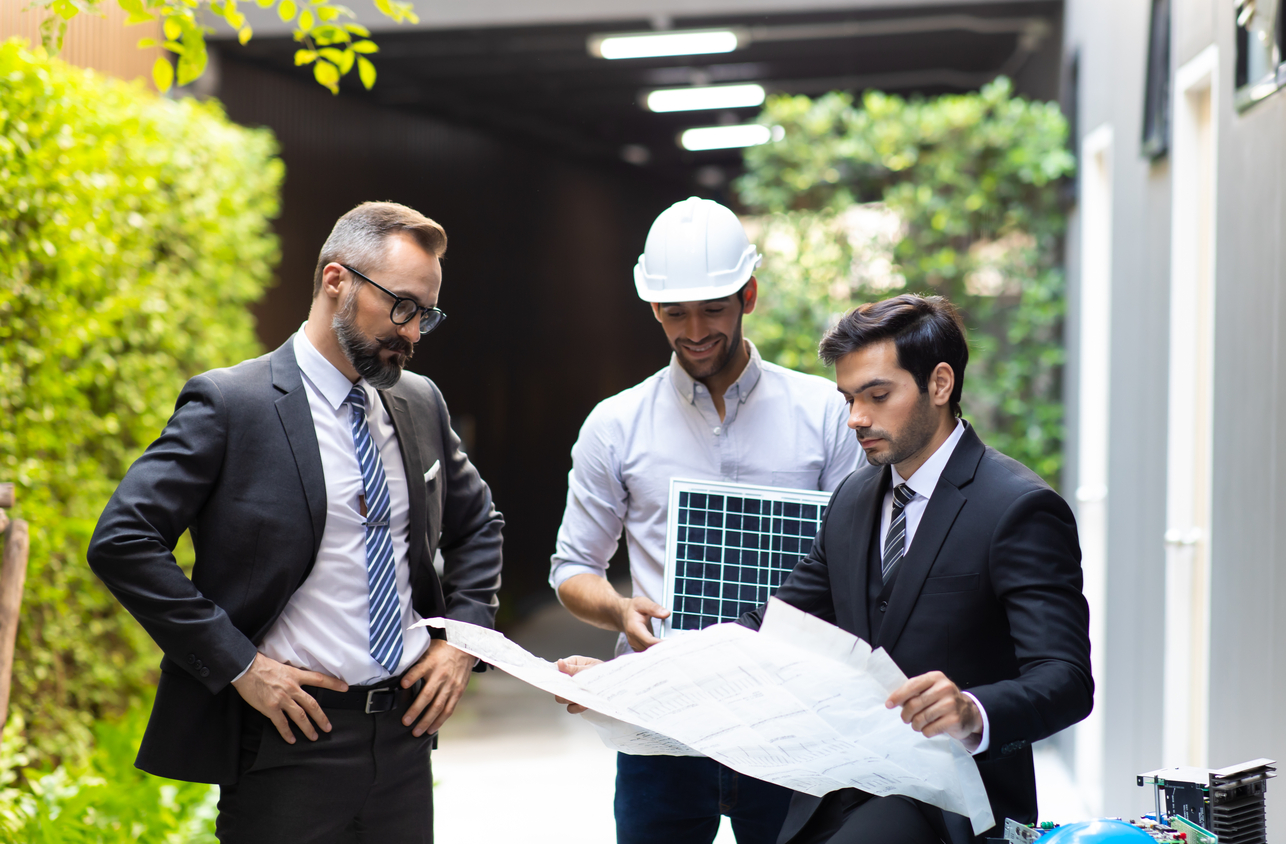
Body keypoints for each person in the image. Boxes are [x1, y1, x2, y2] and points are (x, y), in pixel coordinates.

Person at [88, 201, 504, 843]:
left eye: (426, 314)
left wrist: (461, 643)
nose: (413, 333)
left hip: (404, 744)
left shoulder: (419, 402)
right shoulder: (232, 404)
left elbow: (479, 526)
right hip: (288, 745)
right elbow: (124, 540)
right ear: (336, 280)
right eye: (401, 307)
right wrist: (241, 666)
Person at [549, 196, 864, 844]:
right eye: (674, 312)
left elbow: (862, 564)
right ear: (653, 308)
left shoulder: (826, 414)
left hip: (790, 727)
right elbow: (573, 569)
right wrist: (619, 612)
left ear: (748, 294)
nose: (694, 330)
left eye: (713, 309)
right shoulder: (616, 425)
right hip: (662, 725)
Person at [737, 293, 1093, 844]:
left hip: (953, 807)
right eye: (849, 398)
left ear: (940, 384)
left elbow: (1066, 681)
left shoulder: (1018, 508)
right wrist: (635, 677)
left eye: (877, 395)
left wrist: (972, 710)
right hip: (840, 790)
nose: (857, 418)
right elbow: (771, 627)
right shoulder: (852, 499)